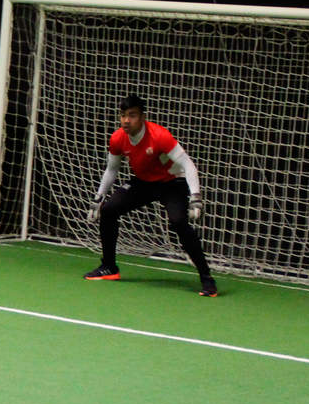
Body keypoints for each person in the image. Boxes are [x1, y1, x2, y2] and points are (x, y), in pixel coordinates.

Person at [84, 94, 217, 297]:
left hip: (172, 183)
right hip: (144, 183)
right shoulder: (118, 137)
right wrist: (98, 198)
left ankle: (207, 279)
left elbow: (188, 164)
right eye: (123, 116)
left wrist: (196, 197)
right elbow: (112, 169)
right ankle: (109, 268)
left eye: (132, 115)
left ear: (142, 117)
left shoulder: (159, 136)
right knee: (109, 210)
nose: (126, 120)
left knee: (179, 222)